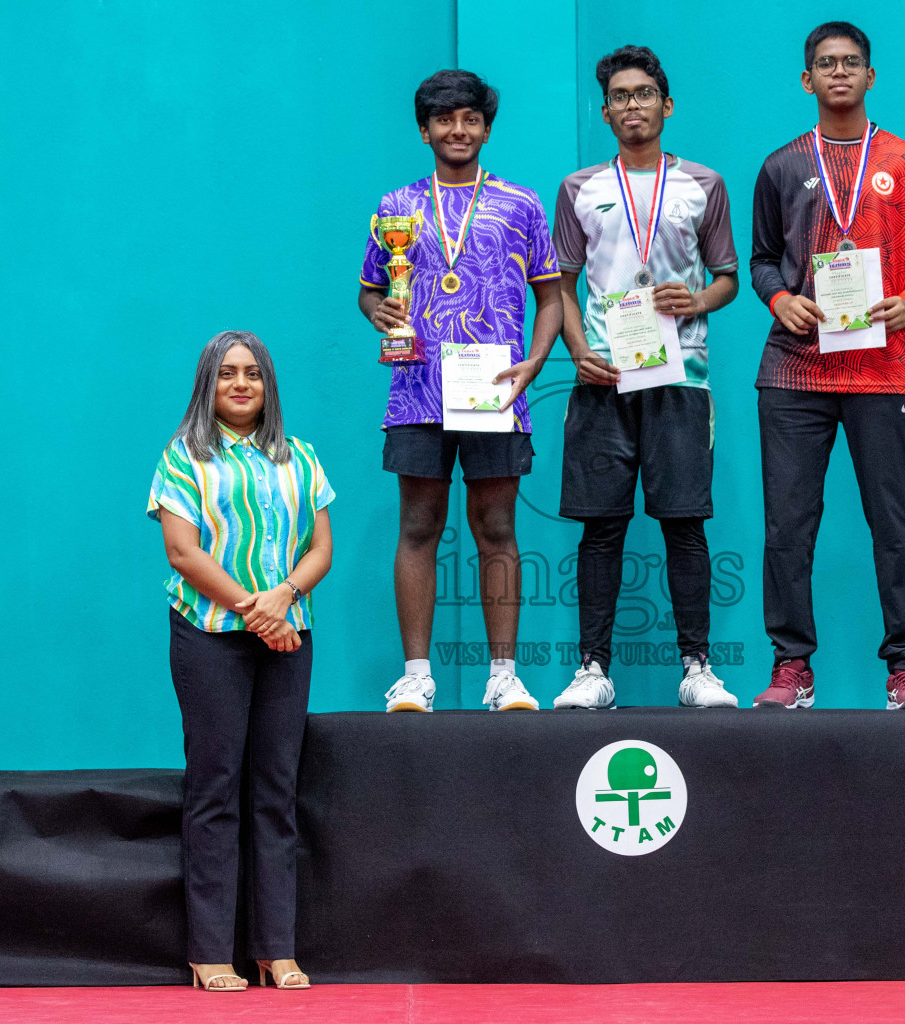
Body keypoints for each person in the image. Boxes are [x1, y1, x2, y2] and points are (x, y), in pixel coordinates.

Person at [749, 22, 905, 711]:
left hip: (883, 370)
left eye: (851, 63)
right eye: (826, 64)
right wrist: (781, 300)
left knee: (896, 525)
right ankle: (791, 667)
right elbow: (761, 259)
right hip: (794, 372)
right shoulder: (780, 165)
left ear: (871, 76)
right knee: (788, 525)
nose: (839, 72)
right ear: (807, 80)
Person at [359, 69, 564, 713]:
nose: (458, 130)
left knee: (497, 527)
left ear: (486, 128)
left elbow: (552, 295)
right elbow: (371, 289)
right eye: (444, 120)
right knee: (418, 526)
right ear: (424, 131)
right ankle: (416, 674)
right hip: (417, 388)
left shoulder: (521, 203)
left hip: (496, 390)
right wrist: (379, 314)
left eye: (470, 118)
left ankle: (504, 675)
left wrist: (534, 363)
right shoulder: (395, 207)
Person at [549, 46, 740, 710]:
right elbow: (561, 287)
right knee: (601, 528)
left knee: (684, 524)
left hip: (681, 379)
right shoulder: (579, 189)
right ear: (605, 113)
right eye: (621, 96)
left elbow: (727, 279)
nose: (633, 105)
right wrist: (578, 352)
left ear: (667, 105)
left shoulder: (705, 186)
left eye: (645, 93)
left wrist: (699, 300)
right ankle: (592, 672)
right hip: (604, 380)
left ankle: (698, 670)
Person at [147, 331, 335, 991]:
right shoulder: (183, 458)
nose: (241, 384)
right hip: (210, 637)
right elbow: (183, 553)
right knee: (215, 791)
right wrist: (256, 611)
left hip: (287, 638)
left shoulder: (300, 457)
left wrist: (284, 598)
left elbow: (320, 550)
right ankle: (209, 953)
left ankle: (275, 949)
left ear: (268, 385)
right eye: (227, 373)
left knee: (276, 793)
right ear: (208, 383)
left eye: (252, 373)